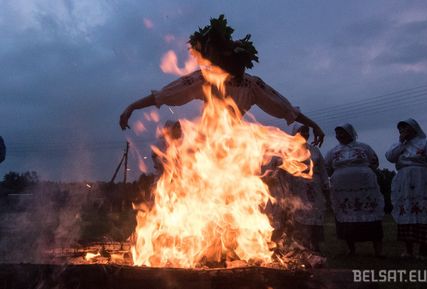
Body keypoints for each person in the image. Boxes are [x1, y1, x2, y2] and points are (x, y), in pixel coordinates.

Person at [119, 15, 324, 147]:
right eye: (233, 61)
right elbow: (168, 94)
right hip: (206, 142)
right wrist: (133, 107)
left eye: (242, 63)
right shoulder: (207, 78)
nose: (239, 67)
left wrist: (313, 124)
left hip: (235, 145)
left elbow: (282, 107)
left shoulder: (252, 85)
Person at [325, 123, 384, 257]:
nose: (339, 136)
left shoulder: (364, 147)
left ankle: (378, 251)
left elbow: (374, 162)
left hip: (365, 187)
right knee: (346, 216)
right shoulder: (333, 151)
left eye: (342, 132)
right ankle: (351, 250)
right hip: (343, 189)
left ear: (350, 133)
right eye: (337, 133)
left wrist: (362, 172)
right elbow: (326, 167)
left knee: (371, 214)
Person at [385, 118, 427, 258]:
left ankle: (424, 249)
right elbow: (390, 157)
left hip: (422, 180)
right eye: (400, 129)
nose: (402, 131)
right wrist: (401, 142)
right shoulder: (399, 146)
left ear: (414, 128)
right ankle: (408, 249)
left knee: (423, 211)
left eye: (405, 128)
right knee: (406, 211)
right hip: (404, 181)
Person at [289, 123, 330, 252]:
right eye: (302, 131)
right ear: (295, 133)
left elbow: (323, 169)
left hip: (314, 187)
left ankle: (315, 243)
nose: (305, 134)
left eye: (307, 131)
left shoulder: (314, 150)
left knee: (315, 212)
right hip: (298, 187)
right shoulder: (288, 151)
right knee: (300, 212)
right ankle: (302, 244)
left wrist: (325, 185)